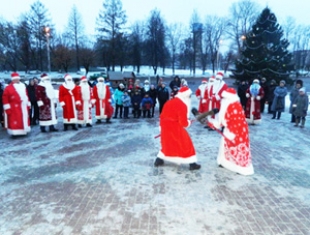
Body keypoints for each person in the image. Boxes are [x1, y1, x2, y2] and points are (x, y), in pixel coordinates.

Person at [207, 88, 254, 176]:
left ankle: (241, 168)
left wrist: (214, 124)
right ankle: (225, 163)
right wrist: (214, 123)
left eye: (224, 98)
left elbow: (226, 120)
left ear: (228, 98)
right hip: (236, 130)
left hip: (235, 131)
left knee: (237, 149)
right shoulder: (232, 104)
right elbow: (223, 119)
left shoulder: (232, 106)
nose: (222, 100)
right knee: (229, 147)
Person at [154, 86, 201, 170]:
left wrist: (161, 126)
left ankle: (159, 160)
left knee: (167, 144)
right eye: (189, 96)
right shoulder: (182, 105)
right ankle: (192, 163)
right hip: (175, 128)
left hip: (165, 126)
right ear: (186, 96)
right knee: (186, 144)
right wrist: (189, 122)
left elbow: (162, 116)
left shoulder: (169, 102)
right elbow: (184, 123)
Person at [2, 72, 31, 136]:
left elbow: (26, 96)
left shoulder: (23, 86)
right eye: (15, 79)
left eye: (17, 79)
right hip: (14, 108)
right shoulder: (8, 88)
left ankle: (24, 131)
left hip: (23, 107)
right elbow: (5, 99)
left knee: (23, 119)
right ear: (12, 79)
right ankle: (15, 132)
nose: (16, 80)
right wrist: (7, 108)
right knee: (15, 120)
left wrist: (28, 104)